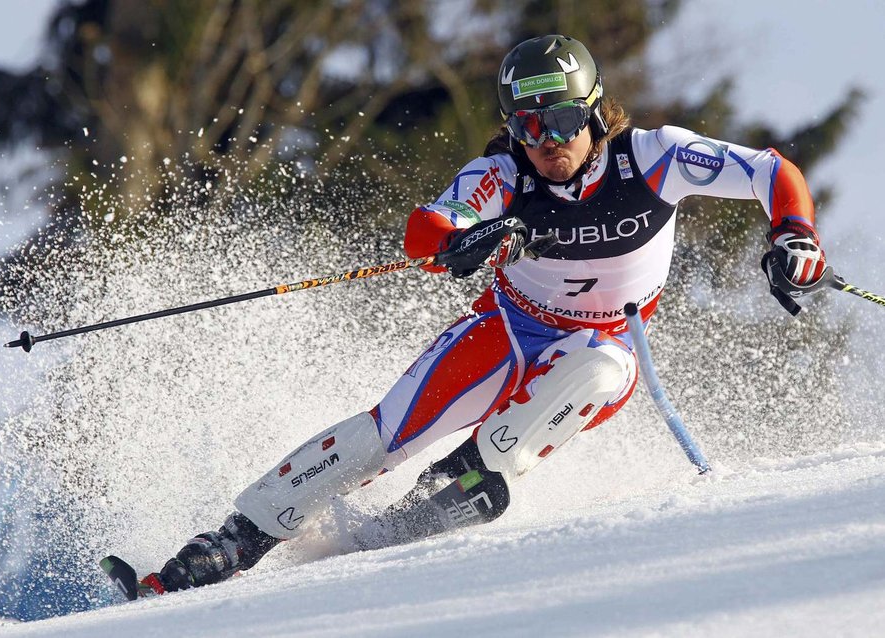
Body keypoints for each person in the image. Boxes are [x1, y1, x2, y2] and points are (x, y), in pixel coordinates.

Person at [138, 34, 833, 595]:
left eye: (561, 120)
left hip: (603, 343)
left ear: (592, 111)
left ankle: (461, 485)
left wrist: (794, 236)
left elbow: (770, 171)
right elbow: (426, 229)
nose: (548, 141)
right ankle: (228, 543)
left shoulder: (653, 158)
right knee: (386, 432)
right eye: (528, 126)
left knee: (599, 367)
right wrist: (466, 237)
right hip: (508, 328)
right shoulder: (505, 173)